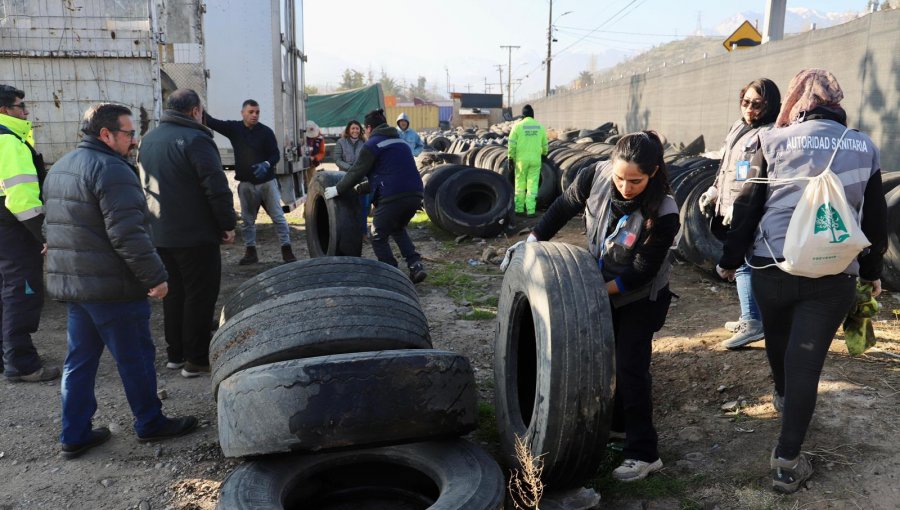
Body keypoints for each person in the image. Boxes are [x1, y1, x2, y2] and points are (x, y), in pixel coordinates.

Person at [716, 69, 886, 494]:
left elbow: (748, 203)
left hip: (772, 265)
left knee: (777, 336)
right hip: (832, 272)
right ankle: (787, 462)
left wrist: (729, 258)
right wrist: (871, 272)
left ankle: (781, 394)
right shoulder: (863, 146)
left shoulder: (770, 140)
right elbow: (876, 218)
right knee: (806, 363)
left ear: (797, 102)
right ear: (838, 103)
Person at [508, 131, 679, 482]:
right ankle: (618, 427)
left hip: (639, 296)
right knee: (604, 360)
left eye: (636, 181)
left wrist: (592, 292)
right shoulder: (595, 174)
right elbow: (562, 208)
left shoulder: (664, 210)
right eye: (620, 177)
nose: (625, 187)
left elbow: (640, 273)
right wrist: (531, 242)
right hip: (601, 283)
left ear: (653, 173)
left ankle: (644, 453)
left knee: (631, 368)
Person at [43, 103, 199, 458]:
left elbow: (50, 225)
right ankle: (150, 423)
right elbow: (129, 235)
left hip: (79, 289)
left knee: (79, 361)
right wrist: (157, 277)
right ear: (106, 134)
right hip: (112, 288)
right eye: (129, 133)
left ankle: (74, 433)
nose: (134, 140)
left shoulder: (62, 167)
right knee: (137, 358)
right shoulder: (113, 170)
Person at [137, 89, 237, 378]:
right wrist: (226, 224)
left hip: (159, 233)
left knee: (174, 293)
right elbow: (215, 186)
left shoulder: (149, 139)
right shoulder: (197, 139)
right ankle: (196, 359)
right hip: (195, 235)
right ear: (195, 111)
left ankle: (176, 354)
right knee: (200, 295)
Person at [698, 78, 781, 349]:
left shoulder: (772, 133)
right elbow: (726, 165)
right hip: (730, 203)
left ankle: (752, 322)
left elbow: (765, 177)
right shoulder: (739, 127)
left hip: (750, 207)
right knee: (742, 260)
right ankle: (752, 315)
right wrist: (713, 190)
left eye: (757, 105)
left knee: (744, 263)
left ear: (769, 105)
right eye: (745, 102)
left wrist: (744, 204)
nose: (749, 109)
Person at [323, 109, 427, 283]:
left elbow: (356, 171)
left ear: (369, 128)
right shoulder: (400, 142)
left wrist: (338, 189)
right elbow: (386, 174)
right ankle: (415, 265)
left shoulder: (372, 145)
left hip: (393, 196)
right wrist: (357, 190)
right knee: (397, 228)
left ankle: (392, 274)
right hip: (415, 194)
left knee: (377, 235)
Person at [0, 84, 60, 383]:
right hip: (15, 230)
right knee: (21, 292)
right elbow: (21, 199)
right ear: (4, 110)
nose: (25, 112)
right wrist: (43, 235)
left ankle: (8, 353)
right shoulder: (9, 142)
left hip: (4, 227)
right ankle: (22, 364)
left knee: (5, 289)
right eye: (20, 107)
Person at [205, 99, 296, 265]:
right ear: (243, 113)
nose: (254, 115)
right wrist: (198, 107)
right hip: (246, 184)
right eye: (251, 112)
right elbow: (211, 122)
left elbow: (275, 154)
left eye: (257, 112)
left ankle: (287, 250)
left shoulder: (266, 132)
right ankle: (250, 252)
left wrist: (267, 164)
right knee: (248, 220)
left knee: (278, 217)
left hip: (267, 183)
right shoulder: (234, 129)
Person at [507, 104, 548, 217]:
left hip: (521, 161)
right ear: (533, 115)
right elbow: (545, 144)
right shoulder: (540, 127)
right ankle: (531, 210)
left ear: (523, 115)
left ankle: (519, 209)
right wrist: (544, 154)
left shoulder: (517, 126)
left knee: (520, 184)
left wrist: (510, 158)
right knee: (532, 184)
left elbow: (511, 144)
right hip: (535, 160)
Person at [333, 120, 370, 238]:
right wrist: (350, 169)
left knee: (363, 206)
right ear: (348, 130)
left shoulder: (365, 143)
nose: (355, 131)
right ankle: (347, 234)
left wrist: (360, 170)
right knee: (346, 207)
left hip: (362, 179)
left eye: (357, 128)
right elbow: (337, 159)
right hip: (345, 178)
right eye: (353, 128)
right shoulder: (341, 142)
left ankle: (363, 232)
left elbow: (369, 160)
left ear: (360, 130)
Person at [305, 120, 326, 187]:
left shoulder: (320, 138)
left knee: (312, 182)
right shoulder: (302, 137)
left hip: (312, 164)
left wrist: (315, 157)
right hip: (301, 164)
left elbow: (322, 152)